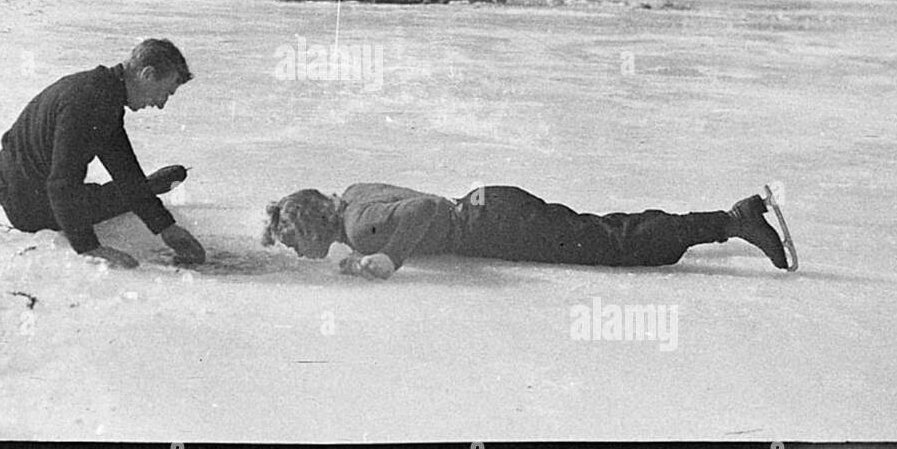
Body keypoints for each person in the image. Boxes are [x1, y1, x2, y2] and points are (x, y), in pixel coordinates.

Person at [261, 182, 794, 279]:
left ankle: (733, 221)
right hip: (494, 205)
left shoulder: (358, 225)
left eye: (293, 240)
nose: (298, 251)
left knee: (617, 246)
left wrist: (387, 259)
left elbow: (422, 210)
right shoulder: (352, 194)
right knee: (607, 233)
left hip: (494, 227)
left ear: (313, 226)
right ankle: (723, 221)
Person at [0, 38, 206, 268]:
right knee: (98, 202)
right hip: (26, 204)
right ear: (147, 74)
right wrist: (90, 248)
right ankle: (144, 190)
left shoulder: (102, 92)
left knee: (121, 191)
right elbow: (61, 184)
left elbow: (124, 169)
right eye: (165, 92)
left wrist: (166, 228)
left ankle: (143, 191)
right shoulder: (92, 103)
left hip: (13, 179)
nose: (161, 104)